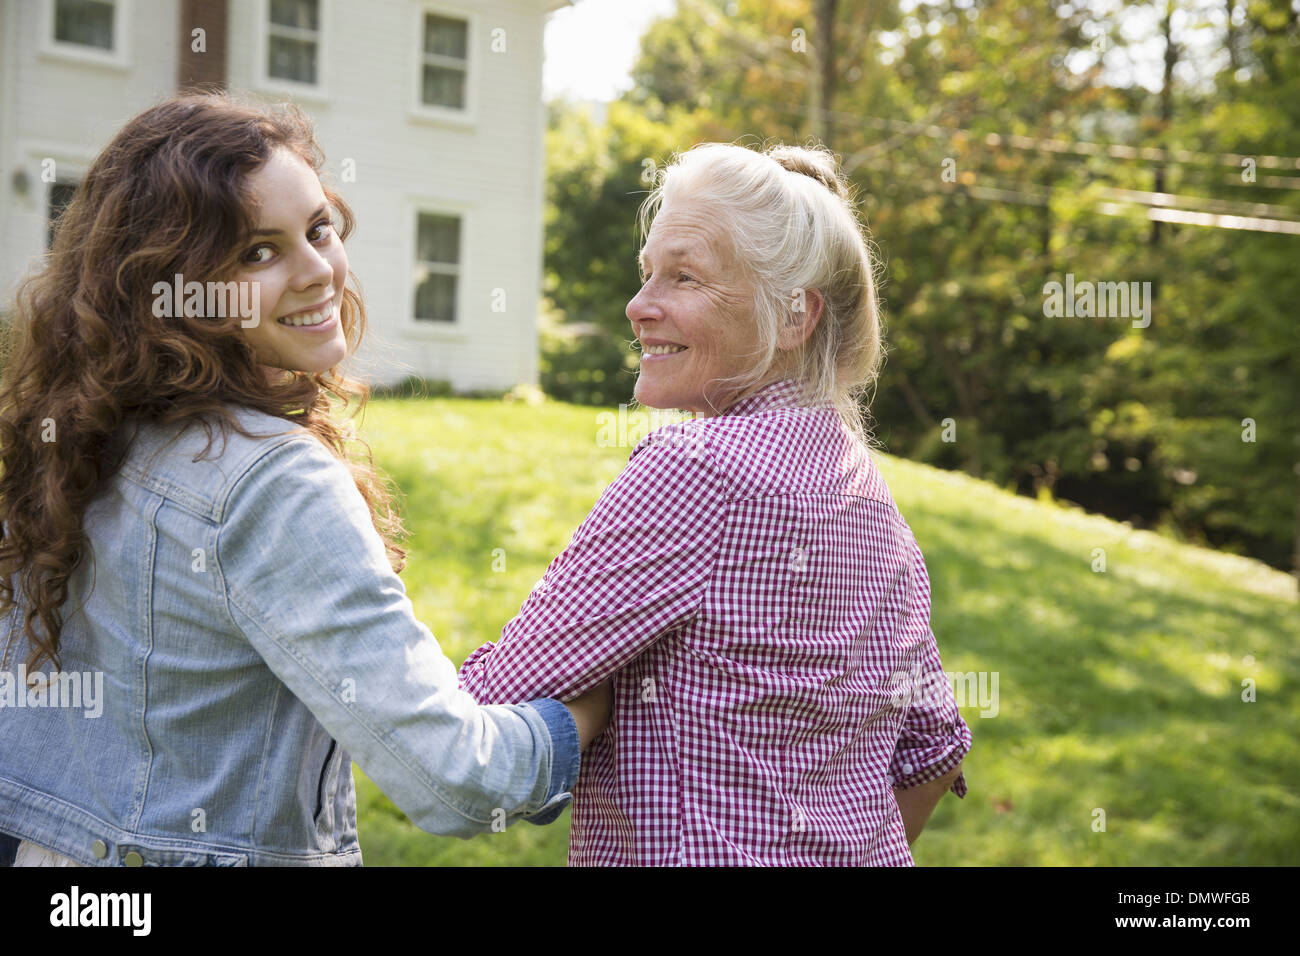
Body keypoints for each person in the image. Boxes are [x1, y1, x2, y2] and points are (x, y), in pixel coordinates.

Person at [0, 92, 610, 867]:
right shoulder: (269, 483)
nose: (318, 270)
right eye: (259, 252)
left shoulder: (82, 433)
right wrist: (582, 714)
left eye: (319, 229)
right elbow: (453, 776)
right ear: (173, 288)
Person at [458, 141, 972, 866]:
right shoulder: (873, 498)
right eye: (647, 275)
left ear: (796, 317)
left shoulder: (694, 470)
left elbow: (488, 701)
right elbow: (934, 755)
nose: (639, 306)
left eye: (684, 277)